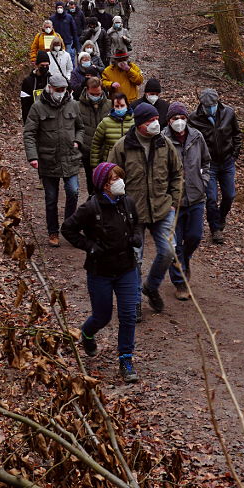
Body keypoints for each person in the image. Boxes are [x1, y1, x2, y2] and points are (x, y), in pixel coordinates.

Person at [62, 163, 141, 383]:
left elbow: (137, 224)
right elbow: (67, 229)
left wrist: (137, 237)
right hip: (100, 272)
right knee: (102, 316)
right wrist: (90, 246)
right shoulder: (90, 208)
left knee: (128, 315)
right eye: (112, 179)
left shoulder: (128, 203)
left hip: (127, 269)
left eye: (119, 177)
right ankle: (86, 333)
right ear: (103, 184)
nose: (117, 182)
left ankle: (126, 359)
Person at [108, 103, 182, 319]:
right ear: (140, 124)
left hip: (162, 208)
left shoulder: (164, 144)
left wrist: (174, 201)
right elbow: (110, 178)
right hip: (133, 212)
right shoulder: (123, 147)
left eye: (156, 119)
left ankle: (151, 286)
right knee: (135, 258)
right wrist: (118, 206)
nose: (155, 124)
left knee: (169, 251)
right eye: (150, 121)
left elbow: (177, 173)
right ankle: (135, 300)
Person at [23, 73, 84, 247]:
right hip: (48, 159)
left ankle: (69, 226)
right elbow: (29, 133)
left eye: (63, 90)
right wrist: (32, 156)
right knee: (51, 198)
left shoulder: (73, 105)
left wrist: (77, 141)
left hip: (70, 158)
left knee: (73, 192)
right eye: (57, 90)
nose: (60, 92)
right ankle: (53, 232)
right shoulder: (38, 108)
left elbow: (80, 127)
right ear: (50, 89)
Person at [162, 102, 210, 301]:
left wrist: (204, 181)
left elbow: (206, 161)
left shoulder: (197, 137)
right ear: (169, 121)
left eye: (182, 118)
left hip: (196, 197)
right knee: (176, 245)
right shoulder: (162, 139)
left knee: (194, 236)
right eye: (175, 119)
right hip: (173, 201)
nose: (179, 122)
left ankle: (186, 260)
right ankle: (180, 283)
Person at [189, 88, 241, 245]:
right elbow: (193, 143)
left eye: (212, 104)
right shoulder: (194, 119)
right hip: (208, 164)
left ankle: (221, 217)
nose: (210, 107)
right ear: (201, 104)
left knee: (229, 195)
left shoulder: (229, 113)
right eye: (206, 105)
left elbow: (236, 134)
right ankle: (215, 229)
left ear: (218, 102)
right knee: (211, 198)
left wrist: (234, 154)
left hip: (227, 161)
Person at [78, 76, 112, 194]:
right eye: (93, 94)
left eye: (98, 93)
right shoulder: (78, 106)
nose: (96, 96)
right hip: (87, 149)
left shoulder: (109, 104)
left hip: (105, 150)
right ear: (87, 90)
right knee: (91, 180)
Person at [91, 92, 135, 167]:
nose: (120, 108)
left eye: (122, 105)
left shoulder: (134, 122)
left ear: (127, 105)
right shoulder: (105, 123)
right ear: (113, 107)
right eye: (117, 106)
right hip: (110, 163)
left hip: (130, 162)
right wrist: (95, 166)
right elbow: (96, 144)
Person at [20, 50, 51, 123]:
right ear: (37, 65)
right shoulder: (28, 82)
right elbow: (25, 105)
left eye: (47, 65)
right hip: (33, 117)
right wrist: (27, 122)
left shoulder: (51, 80)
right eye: (42, 66)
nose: (45, 67)